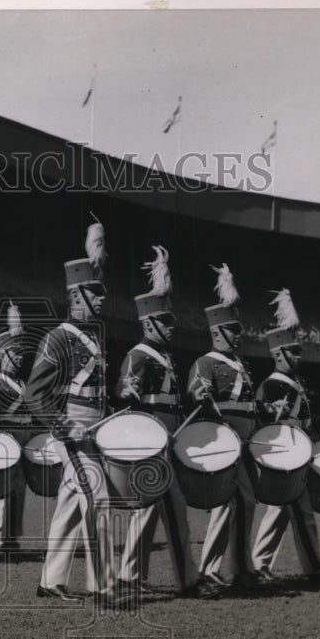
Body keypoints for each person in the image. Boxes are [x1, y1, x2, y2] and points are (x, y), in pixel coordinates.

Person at [24, 219, 120, 604]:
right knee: (99, 499)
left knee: (70, 501)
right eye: (95, 293)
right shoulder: (59, 338)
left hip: (94, 431)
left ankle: (50, 580)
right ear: (76, 295)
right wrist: (65, 427)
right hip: (73, 432)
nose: (102, 299)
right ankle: (104, 587)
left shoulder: (96, 338)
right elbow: (35, 393)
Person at [116, 247, 197, 596]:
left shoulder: (164, 357)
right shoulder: (138, 355)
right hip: (149, 446)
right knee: (149, 514)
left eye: (171, 319)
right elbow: (124, 391)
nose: (172, 325)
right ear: (148, 323)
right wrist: (125, 390)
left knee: (170, 514)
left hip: (169, 442)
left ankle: (180, 579)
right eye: (166, 320)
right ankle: (132, 577)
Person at [250, 289, 320, 585]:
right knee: (300, 513)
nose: (299, 356)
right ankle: (314, 569)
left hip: (295, 454)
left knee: (280, 513)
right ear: (278, 354)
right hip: (283, 456)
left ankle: (260, 566)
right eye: (294, 352)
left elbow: (300, 420)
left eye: (299, 351)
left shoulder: (292, 383)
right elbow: (263, 420)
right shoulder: (272, 385)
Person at [186, 264, 259, 598]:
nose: (239, 333)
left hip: (245, 443)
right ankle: (210, 569)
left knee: (245, 504)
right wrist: (199, 394)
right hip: (224, 444)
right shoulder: (206, 363)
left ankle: (242, 567)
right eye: (233, 329)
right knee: (224, 506)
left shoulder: (241, 365)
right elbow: (197, 391)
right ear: (217, 332)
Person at [0, 303, 31, 551]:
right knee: (4, 491)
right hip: (5, 443)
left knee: (18, 490)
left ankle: (11, 537)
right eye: (14, 353)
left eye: (21, 353)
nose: (19, 357)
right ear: (2, 356)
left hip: (24, 442)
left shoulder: (25, 384)